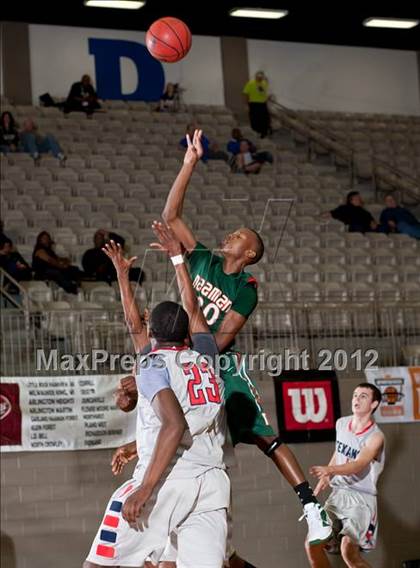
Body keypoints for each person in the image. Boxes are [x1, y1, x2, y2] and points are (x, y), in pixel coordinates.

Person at [162, 129, 333, 554]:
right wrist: (189, 165)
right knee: (177, 431)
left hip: (218, 363)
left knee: (264, 436)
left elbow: (222, 339)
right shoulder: (200, 257)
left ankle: (311, 506)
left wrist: (199, 359)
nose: (229, 237)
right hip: (186, 359)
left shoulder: (247, 287)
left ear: (250, 253)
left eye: (238, 236)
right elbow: (171, 216)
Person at [84, 242, 229, 568]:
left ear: (152, 332)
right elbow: (193, 309)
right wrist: (177, 260)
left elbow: (174, 425)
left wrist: (145, 487)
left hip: (167, 477)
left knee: (98, 564)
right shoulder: (207, 358)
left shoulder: (153, 363)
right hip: (212, 481)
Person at [306, 383, 385, 568]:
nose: (356, 399)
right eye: (355, 395)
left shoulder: (375, 437)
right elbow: (338, 453)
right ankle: (329, 539)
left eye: (363, 396)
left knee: (349, 551)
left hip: (361, 499)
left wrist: (330, 470)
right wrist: (328, 474)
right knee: (313, 540)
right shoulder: (341, 423)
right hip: (339, 493)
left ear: (374, 404)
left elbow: (358, 465)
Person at [243, 71, 271, 138]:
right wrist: (246, 105)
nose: (260, 78)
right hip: (254, 104)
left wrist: (267, 98)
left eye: (261, 77)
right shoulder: (250, 83)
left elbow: (265, 91)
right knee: (255, 119)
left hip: (263, 104)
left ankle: (264, 132)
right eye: (259, 77)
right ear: (256, 77)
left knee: (265, 118)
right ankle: (257, 131)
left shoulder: (264, 83)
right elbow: (246, 94)